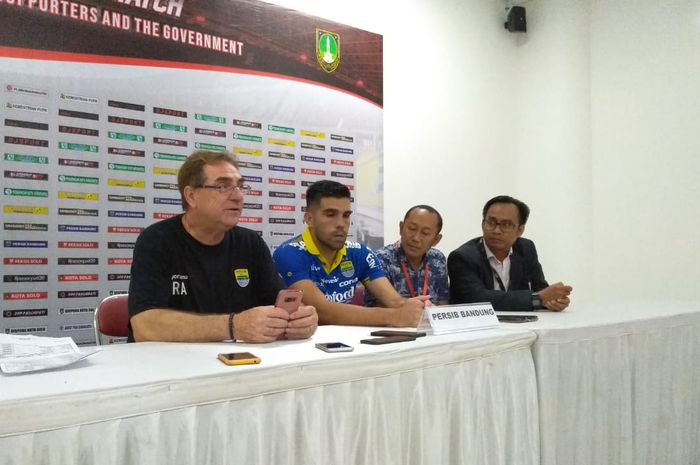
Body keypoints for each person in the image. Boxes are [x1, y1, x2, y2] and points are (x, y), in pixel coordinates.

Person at [128, 150, 318, 343]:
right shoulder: (156, 240)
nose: (238, 197)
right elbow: (144, 326)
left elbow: (281, 306)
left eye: (240, 187)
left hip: (235, 363)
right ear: (191, 196)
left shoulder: (251, 243)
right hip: (169, 364)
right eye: (223, 186)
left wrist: (300, 319)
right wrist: (234, 326)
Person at [273, 180, 429, 327]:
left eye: (346, 215)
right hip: (302, 344)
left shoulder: (360, 253)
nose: (341, 224)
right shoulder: (289, 253)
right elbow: (321, 311)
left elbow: (396, 302)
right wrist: (395, 316)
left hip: (348, 343)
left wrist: (419, 308)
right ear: (309, 219)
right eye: (330, 214)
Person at [448, 195, 572, 311]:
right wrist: (537, 299)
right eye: (491, 223)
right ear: (482, 224)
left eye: (506, 225)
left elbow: (540, 289)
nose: (496, 230)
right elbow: (476, 299)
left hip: (520, 325)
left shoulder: (526, 248)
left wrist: (554, 300)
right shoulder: (462, 257)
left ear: (520, 230)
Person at [364, 205, 449, 306]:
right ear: (401, 228)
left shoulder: (438, 259)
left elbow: (443, 302)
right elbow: (374, 309)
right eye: (412, 229)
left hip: (429, 320)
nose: (416, 238)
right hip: (391, 321)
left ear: (436, 240)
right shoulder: (380, 259)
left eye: (425, 233)